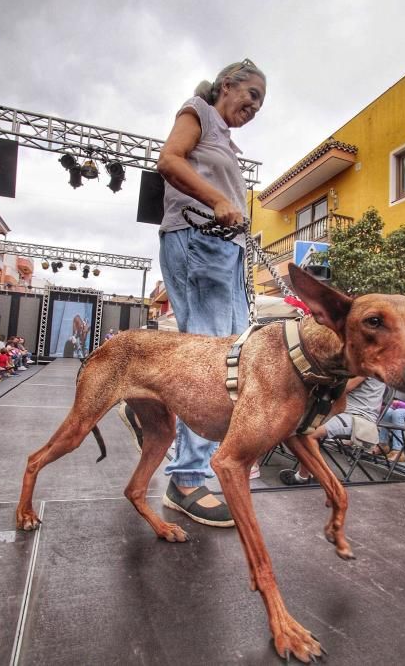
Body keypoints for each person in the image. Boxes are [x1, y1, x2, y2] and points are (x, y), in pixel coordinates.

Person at [156, 59, 266, 526]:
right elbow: (169, 160)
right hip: (199, 241)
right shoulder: (198, 110)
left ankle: (155, 412)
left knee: (233, 357)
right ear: (227, 86)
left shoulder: (226, 140)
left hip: (225, 254)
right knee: (213, 360)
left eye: (261, 102)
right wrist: (219, 200)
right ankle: (186, 479)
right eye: (253, 94)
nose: (256, 106)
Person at [292, 376, 386, 483]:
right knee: (303, 425)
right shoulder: (368, 365)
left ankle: (309, 476)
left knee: (308, 434)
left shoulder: (367, 367)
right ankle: (310, 473)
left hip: (357, 417)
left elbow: (344, 387)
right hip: (346, 412)